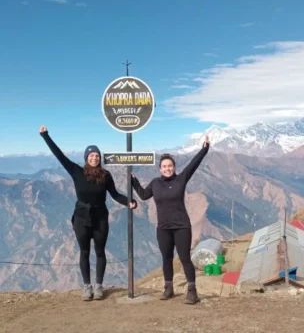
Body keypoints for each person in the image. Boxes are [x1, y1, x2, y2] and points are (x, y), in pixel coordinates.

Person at [39, 125, 137, 301]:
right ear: (86, 158)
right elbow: (59, 155)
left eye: (97, 155)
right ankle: (87, 287)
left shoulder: (105, 175)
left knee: (100, 252)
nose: (94, 157)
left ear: (100, 158)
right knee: (84, 252)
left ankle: (99, 286)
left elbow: (114, 194)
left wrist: (128, 202)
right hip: (81, 217)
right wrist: (45, 136)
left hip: (100, 217)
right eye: (91, 155)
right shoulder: (77, 171)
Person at [131, 135, 210, 304]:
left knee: (184, 258)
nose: (167, 169)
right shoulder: (155, 183)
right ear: (160, 169)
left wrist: (204, 149)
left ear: (174, 167)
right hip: (163, 228)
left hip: (182, 226)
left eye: (170, 166)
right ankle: (168, 288)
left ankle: (192, 291)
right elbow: (144, 195)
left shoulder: (181, 179)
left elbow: (193, 165)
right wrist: (133, 180)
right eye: (164, 166)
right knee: (166, 259)